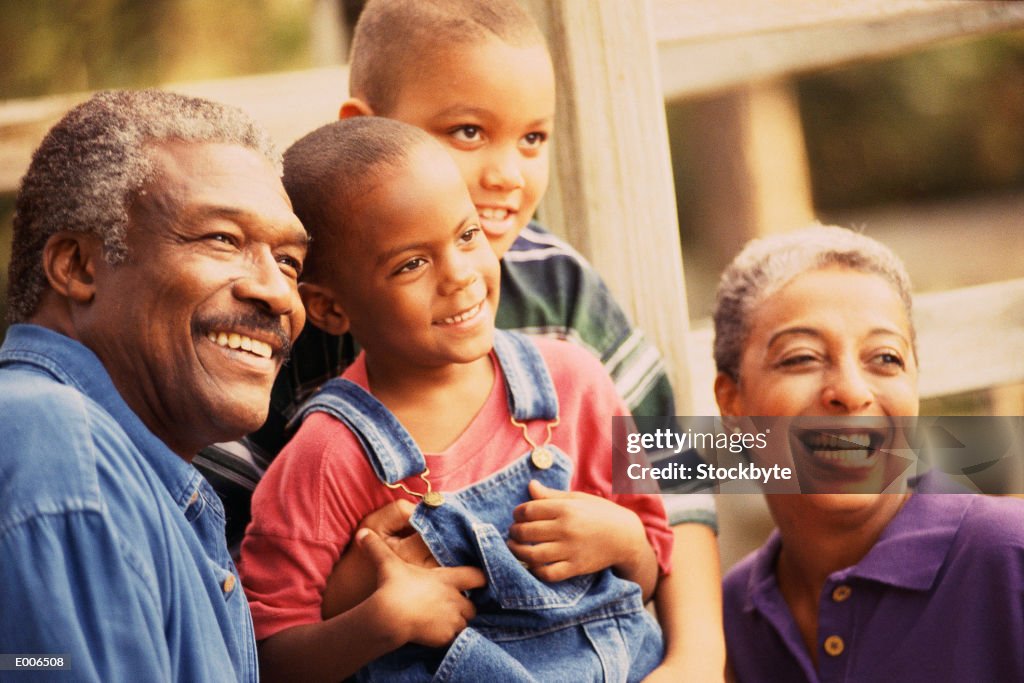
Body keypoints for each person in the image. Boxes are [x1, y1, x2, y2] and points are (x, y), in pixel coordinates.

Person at [198, 0, 724, 674]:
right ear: (369, 126)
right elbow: (231, 548)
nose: (508, 174)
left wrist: (698, 657)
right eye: (469, 131)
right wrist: (350, 592)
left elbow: (674, 470)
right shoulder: (289, 327)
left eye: (533, 138)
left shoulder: (558, 288)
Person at [239, 116, 674, 682]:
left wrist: (625, 540)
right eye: (412, 264)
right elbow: (269, 656)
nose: (461, 275)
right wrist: (380, 622)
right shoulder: (327, 456)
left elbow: (651, 570)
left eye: (467, 236)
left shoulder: (574, 382)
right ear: (328, 308)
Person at [0, 89, 308, 681]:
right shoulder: (58, 445)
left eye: (291, 261)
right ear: (77, 266)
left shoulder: (144, 482)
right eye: (223, 239)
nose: (279, 294)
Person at [713, 225, 1024, 681]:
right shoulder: (728, 619)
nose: (852, 393)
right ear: (732, 402)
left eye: (885, 359)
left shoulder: (1009, 559)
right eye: (801, 357)